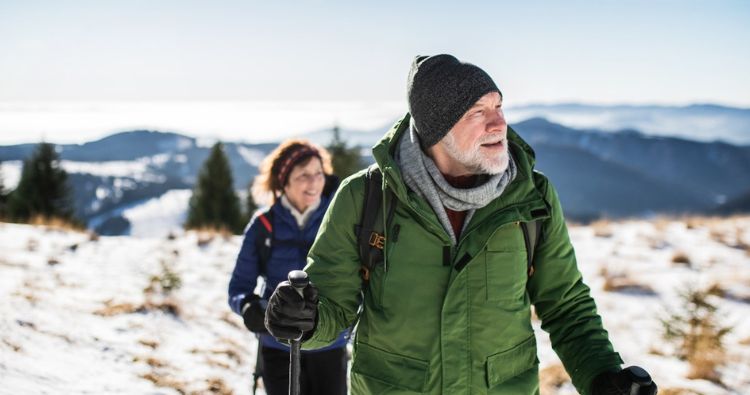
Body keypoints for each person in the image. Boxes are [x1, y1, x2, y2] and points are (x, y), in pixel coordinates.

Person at [265, 55, 658, 395]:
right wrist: (306, 320)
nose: (498, 123)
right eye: (477, 113)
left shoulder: (531, 197)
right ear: (438, 131)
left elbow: (566, 305)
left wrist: (602, 376)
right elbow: (333, 304)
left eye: (499, 106)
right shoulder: (365, 197)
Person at [228, 139, 347, 395]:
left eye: (318, 173)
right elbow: (239, 287)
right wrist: (249, 308)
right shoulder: (263, 227)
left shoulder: (340, 221)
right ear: (284, 181)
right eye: (304, 175)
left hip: (329, 345)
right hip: (277, 346)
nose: (314, 182)